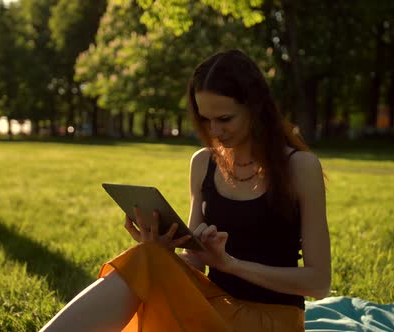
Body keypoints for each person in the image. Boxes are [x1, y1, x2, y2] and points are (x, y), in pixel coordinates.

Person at [39, 49, 331, 332]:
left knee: (146, 263)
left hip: (271, 321)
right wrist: (164, 251)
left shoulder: (300, 167)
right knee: (146, 257)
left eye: (224, 119)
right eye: (205, 119)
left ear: (255, 107)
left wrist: (231, 265)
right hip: (213, 306)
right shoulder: (203, 162)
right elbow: (195, 261)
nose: (214, 130)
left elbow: (318, 283)